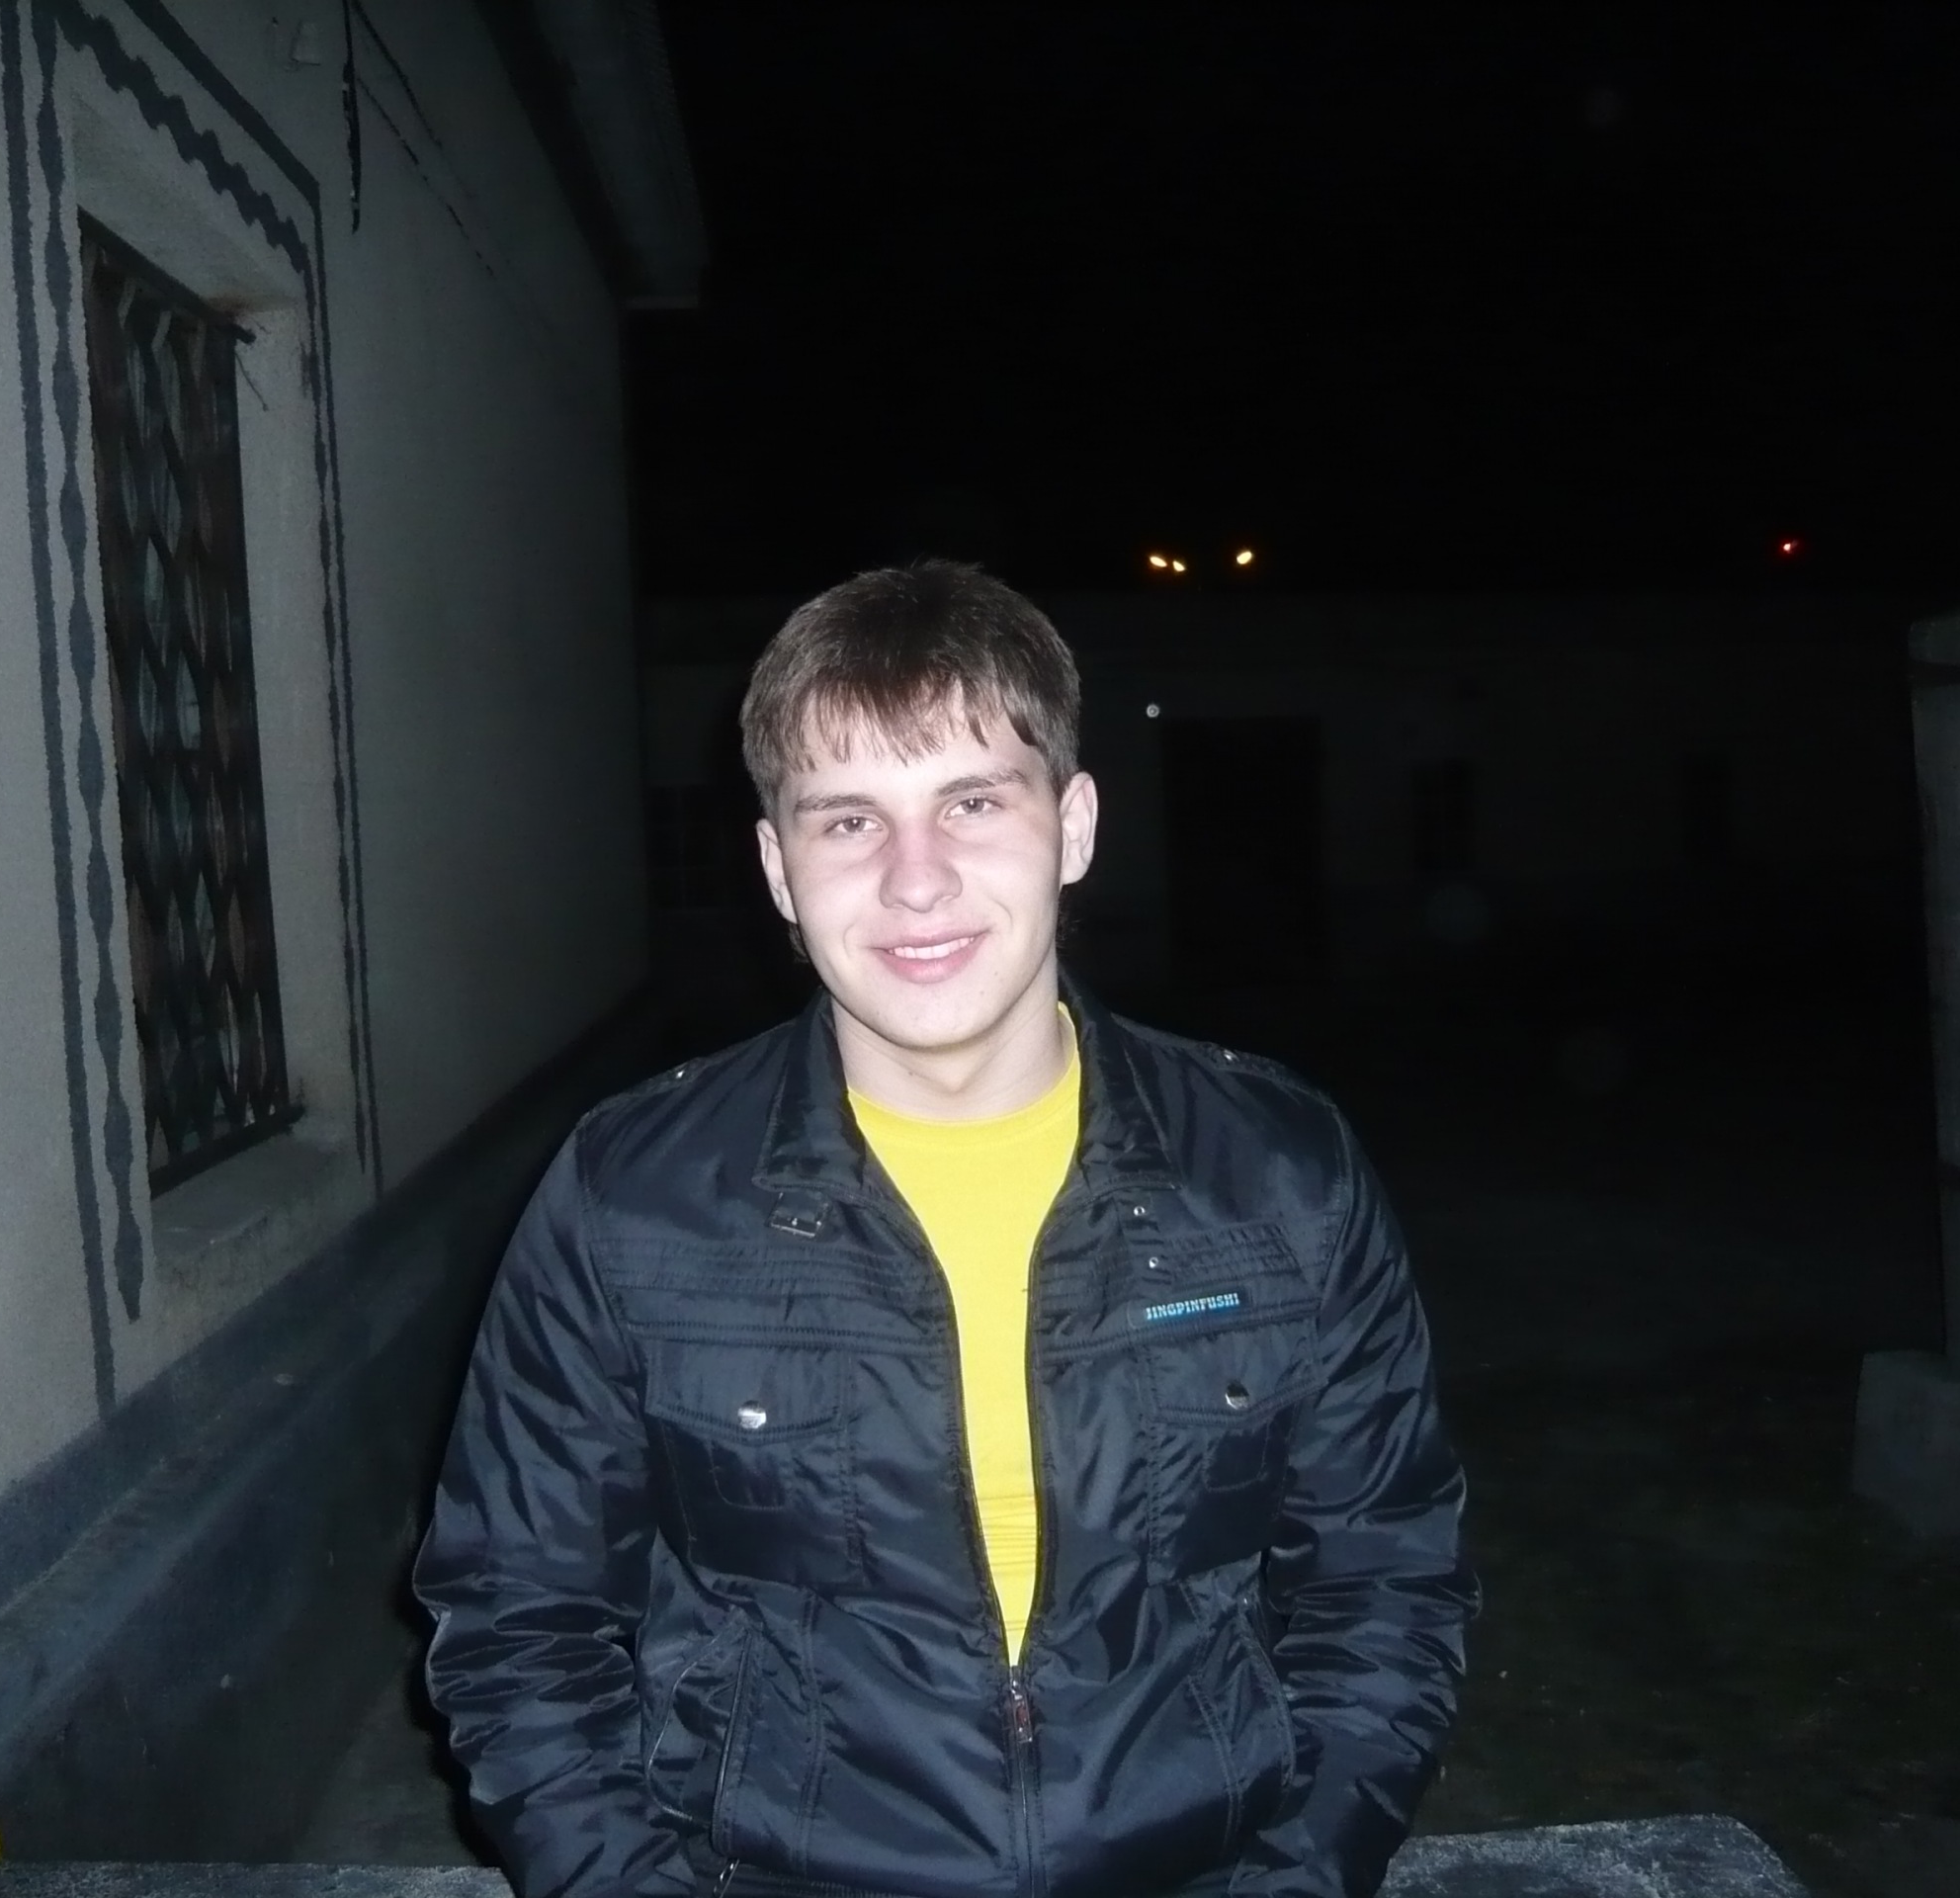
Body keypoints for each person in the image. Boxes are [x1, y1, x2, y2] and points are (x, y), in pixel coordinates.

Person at [415, 561, 1474, 1898]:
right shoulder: (632, 1198)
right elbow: (517, 1622)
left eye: (972, 802)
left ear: (1072, 826)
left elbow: (1386, 1584)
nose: (916, 881)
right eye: (848, 820)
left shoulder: (1277, 1174)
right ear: (777, 868)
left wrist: (1293, 1879)